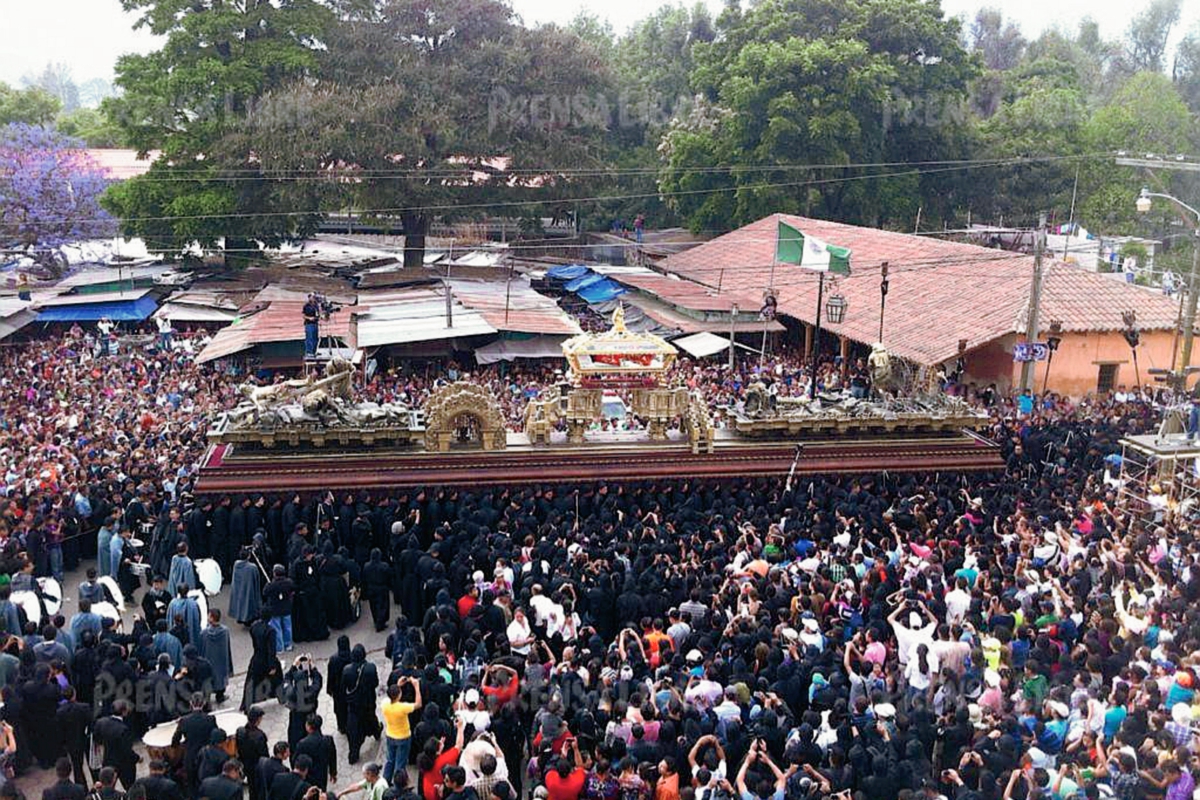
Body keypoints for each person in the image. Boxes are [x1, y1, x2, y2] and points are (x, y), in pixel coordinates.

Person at [342, 643, 380, 765]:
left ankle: (353, 754)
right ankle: (377, 732)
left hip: (354, 705)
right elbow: (375, 683)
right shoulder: (371, 668)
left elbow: (344, 687)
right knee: (372, 719)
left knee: (353, 731)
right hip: (368, 702)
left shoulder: (347, 670)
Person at [171, 692, 217, 793]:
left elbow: (175, 741)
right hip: (207, 757)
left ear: (191, 703)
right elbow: (215, 736)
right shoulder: (210, 719)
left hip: (190, 757)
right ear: (204, 703)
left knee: (192, 787)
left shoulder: (184, 721)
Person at [382, 678, 422, 784]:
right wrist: (416, 686)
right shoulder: (402, 707)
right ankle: (398, 785)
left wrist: (398, 685)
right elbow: (418, 704)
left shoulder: (385, 704)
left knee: (390, 760)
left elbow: (391, 696)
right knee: (400, 764)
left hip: (390, 735)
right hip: (403, 737)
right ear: (399, 695)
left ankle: (385, 783)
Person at [92, 701, 137, 791]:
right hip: (124, 765)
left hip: (108, 761)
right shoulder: (123, 729)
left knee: (107, 789)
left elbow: (96, 738)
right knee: (130, 789)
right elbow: (127, 751)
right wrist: (137, 758)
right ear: (124, 712)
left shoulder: (101, 722)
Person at [294, 714, 337, 791]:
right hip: (322, 774)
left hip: (308, 776)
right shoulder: (328, 740)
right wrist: (333, 772)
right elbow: (332, 757)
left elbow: (295, 760)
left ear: (308, 726)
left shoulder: (302, 744)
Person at [198, 609, 233, 703]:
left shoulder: (204, 633)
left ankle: (207, 699)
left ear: (212, 618)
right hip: (221, 661)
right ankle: (220, 696)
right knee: (220, 677)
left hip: (209, 660)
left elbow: (201, 647)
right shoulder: (225, 631)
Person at [237, 707, 270, 800]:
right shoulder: (259, 736)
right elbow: (264, 755)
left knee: (252, 787)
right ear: (258, 719)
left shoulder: (240, 731)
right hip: (257, 767)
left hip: (246, 765)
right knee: (259, 789)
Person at [262, 566, 295, 654]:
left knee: (277, 628)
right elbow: (292, 590)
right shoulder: (289, 582)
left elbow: (264, 592)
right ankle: (288, 644)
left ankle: (280, 647)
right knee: (288, 627)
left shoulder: (271, 585)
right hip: (286, 608)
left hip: (274, 609)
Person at [229, 548, 263, 625]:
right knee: (248, 603)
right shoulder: (252, 567)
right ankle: (248, 619)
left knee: (239, 602)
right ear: (248, 556)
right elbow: (257, 578)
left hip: (239, 588)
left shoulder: (236, 564)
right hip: (248, 588)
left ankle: (240, 617)